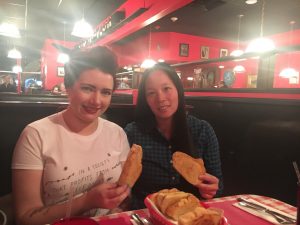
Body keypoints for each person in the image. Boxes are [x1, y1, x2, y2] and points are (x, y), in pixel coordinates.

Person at [12, 46, 131, 225]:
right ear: (68, 87)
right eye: (87, 89)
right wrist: (87, 201)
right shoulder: (36, 135)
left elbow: (122, 198)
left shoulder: (117, 134)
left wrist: (118, 203)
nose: (97, 101)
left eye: (105, 92)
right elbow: (26, 216)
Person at [124, 63, 223, 209]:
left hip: (189, 213)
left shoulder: (202, 130)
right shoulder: (133, 133)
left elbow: (218, 185)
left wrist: (211, 189)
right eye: (151, 93)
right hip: (146, 213)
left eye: (166, 89)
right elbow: (126, 185)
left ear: (178, 90)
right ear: (145, 99)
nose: (160, 98)